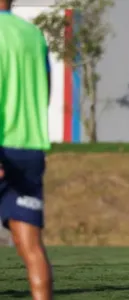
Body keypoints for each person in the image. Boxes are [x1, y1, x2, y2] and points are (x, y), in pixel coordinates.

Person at [0, 1, 54, 299]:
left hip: (3, 145)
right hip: (30, 151)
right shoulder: (34, 34)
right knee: (31, 247)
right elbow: (45, 89)